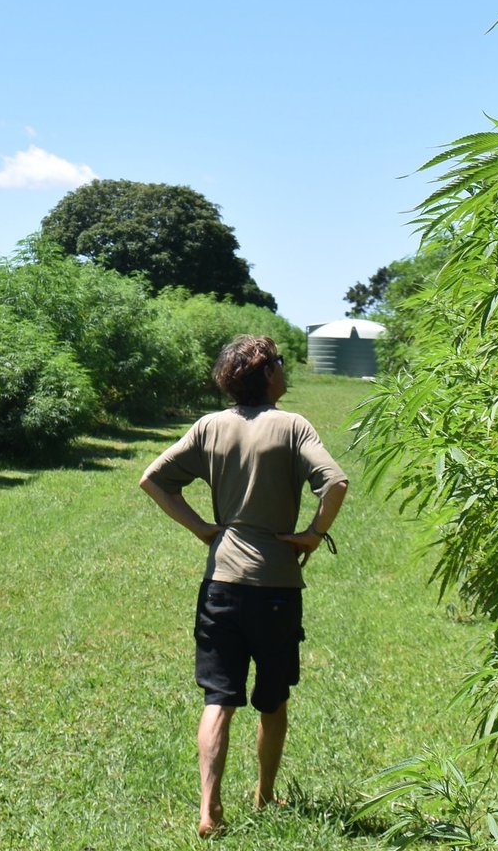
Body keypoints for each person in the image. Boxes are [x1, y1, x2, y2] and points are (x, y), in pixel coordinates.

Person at [138, 334, 349, 837]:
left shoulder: (210, 427)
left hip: (221, 584)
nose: (283, 370)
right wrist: (313, 536)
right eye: (279, 362)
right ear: (268, 375)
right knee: (272, 699)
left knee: (219, 698)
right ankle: (264, 794)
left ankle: (209, 811)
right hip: (276, 587)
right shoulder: (293, 426)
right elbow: (335, 483)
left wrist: (204, 529)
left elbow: (153, 479)